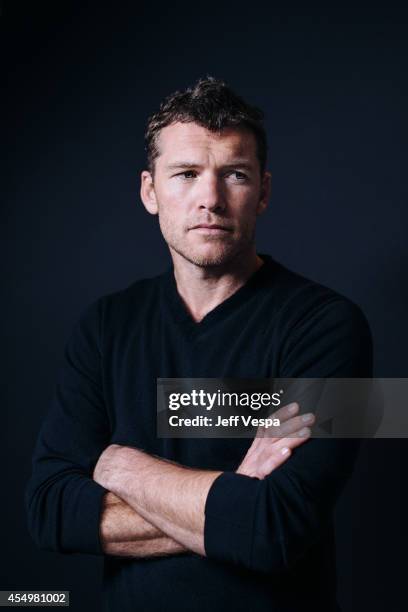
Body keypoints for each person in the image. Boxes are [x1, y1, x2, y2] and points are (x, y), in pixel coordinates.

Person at [25, 77, 372, 612]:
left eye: (233, 174)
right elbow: (48, 511)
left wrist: (120, 466)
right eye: (186, 174)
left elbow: (275, 529)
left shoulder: (331, 327)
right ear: (149, 192)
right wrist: (232, 497)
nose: (209, 198)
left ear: (263, 192)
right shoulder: (104, 326)